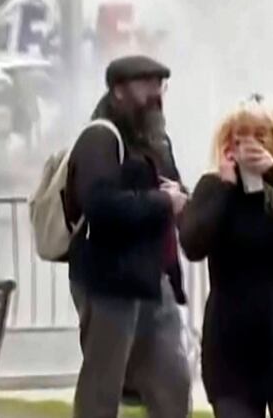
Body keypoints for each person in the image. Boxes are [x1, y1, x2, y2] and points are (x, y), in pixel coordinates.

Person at [179, 96, 273, 418]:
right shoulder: (212, 186)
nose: (251, 144)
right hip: (231, 341)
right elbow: (192, 243)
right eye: (241, 135)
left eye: (261, 135)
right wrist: (227, 186)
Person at [62, 55, 192, 418]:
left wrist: (182, 199)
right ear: (118, 91)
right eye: (145, 84)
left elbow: (175, 190)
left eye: (159, 85)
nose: (155, 93)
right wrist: (162, 200)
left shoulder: (156, 141)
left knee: (174, 381)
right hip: (109, 282)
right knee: (102, 387)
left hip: (154, 279)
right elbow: (100, 205)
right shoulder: (100, 138)